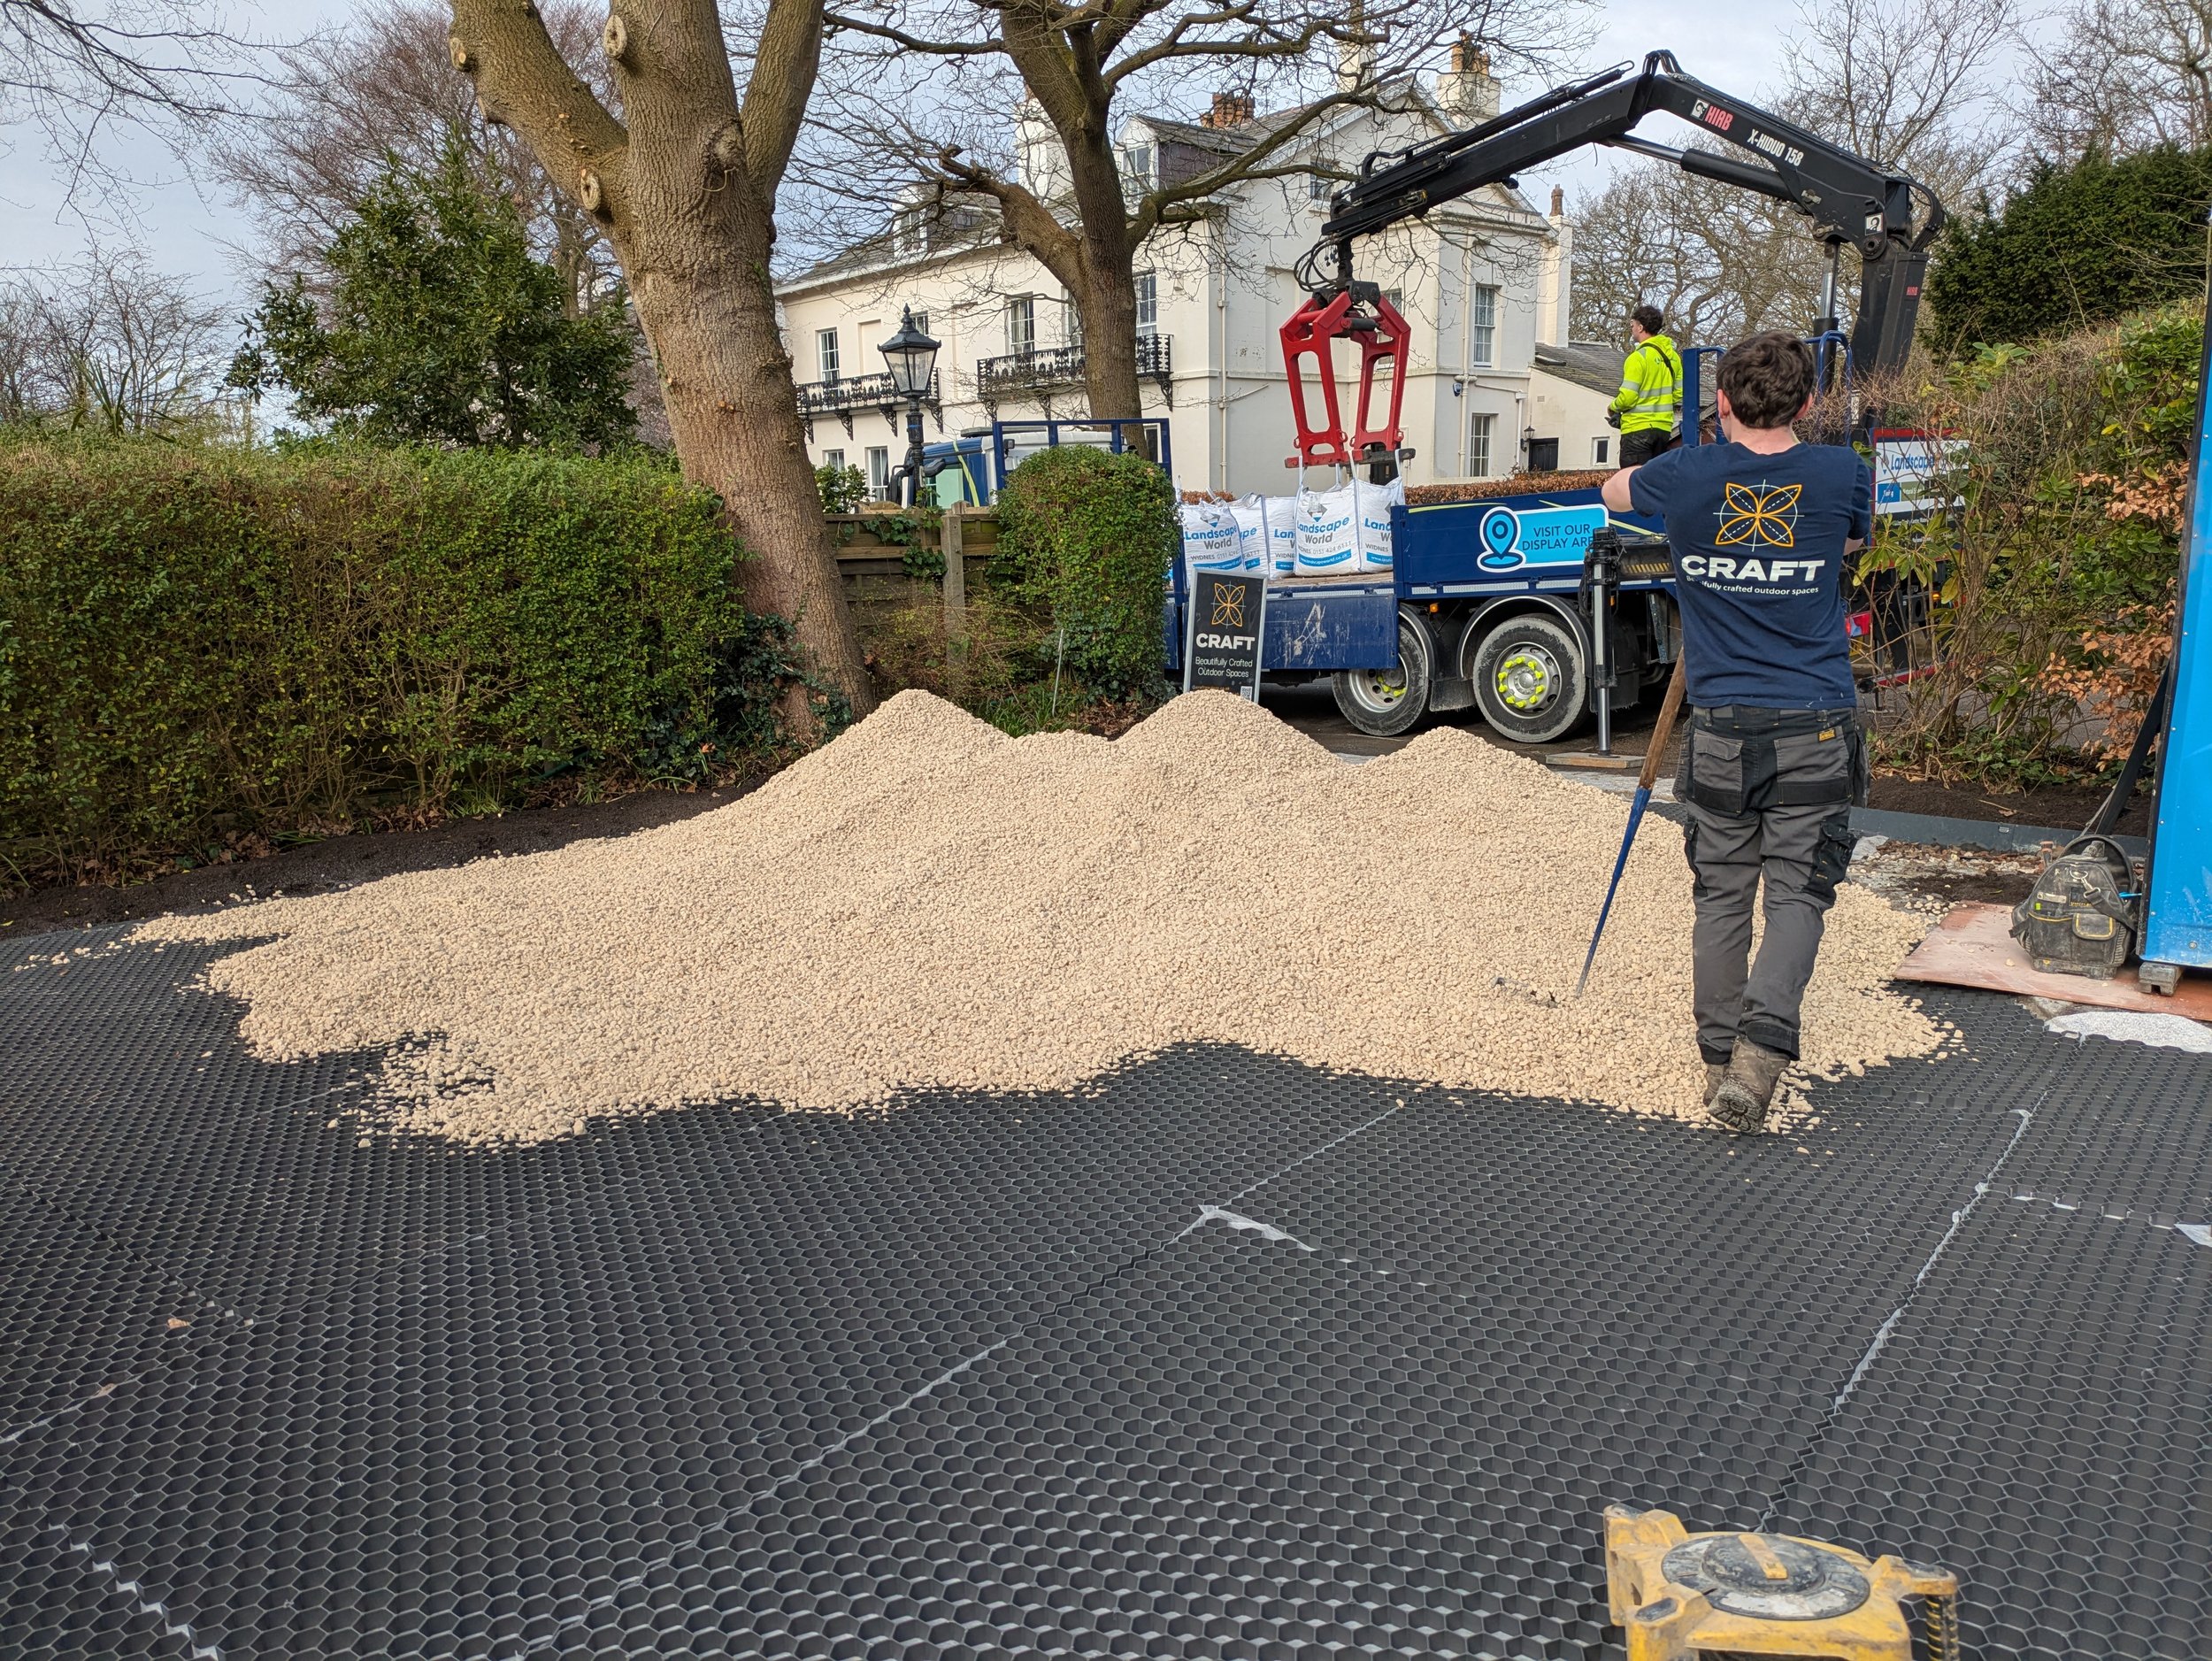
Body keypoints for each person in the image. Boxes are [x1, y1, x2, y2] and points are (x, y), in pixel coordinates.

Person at [1600, 332, 1870, 1134]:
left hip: (1719, 727)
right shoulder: (1841, 474)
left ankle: (1718, 1057)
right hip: (1815, 725)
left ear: (1720, 403)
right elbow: (1850, 540)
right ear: (1810, 402)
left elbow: (1615, 491)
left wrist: (1690, 493)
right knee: (1798, 892)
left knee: (1721, 893)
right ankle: (1757, 1063)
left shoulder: (1686, 474)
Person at [1609, 304, 1682, 468]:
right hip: (1663, 430)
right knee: (1654, 483)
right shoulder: (1673, 358)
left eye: (1633, 325)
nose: (1632, 329)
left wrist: (1613, 406)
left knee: (1633, 482)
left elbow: (1627, 398)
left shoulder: (1637, 358)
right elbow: (1678, 394)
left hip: (1637, 430)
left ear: (1641, 327)